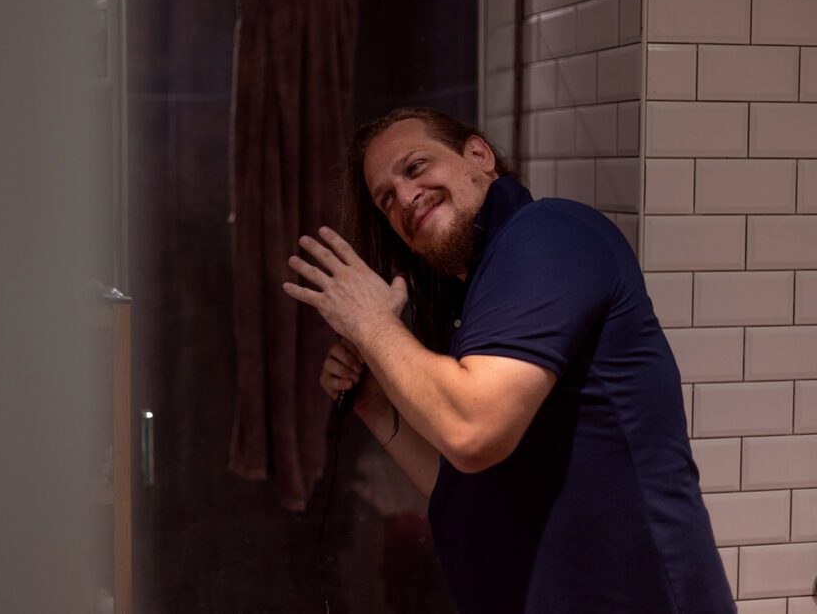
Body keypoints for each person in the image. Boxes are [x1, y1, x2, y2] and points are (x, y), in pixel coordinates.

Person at [281, 107, 735, 614]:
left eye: (414, 168)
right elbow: (464, 485)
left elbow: (473, 431)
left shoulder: (548, 232)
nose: (405, 199)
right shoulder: (479, 293)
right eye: (386, 199)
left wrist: (370, 322)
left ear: (479, 154)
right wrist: (375, 405)